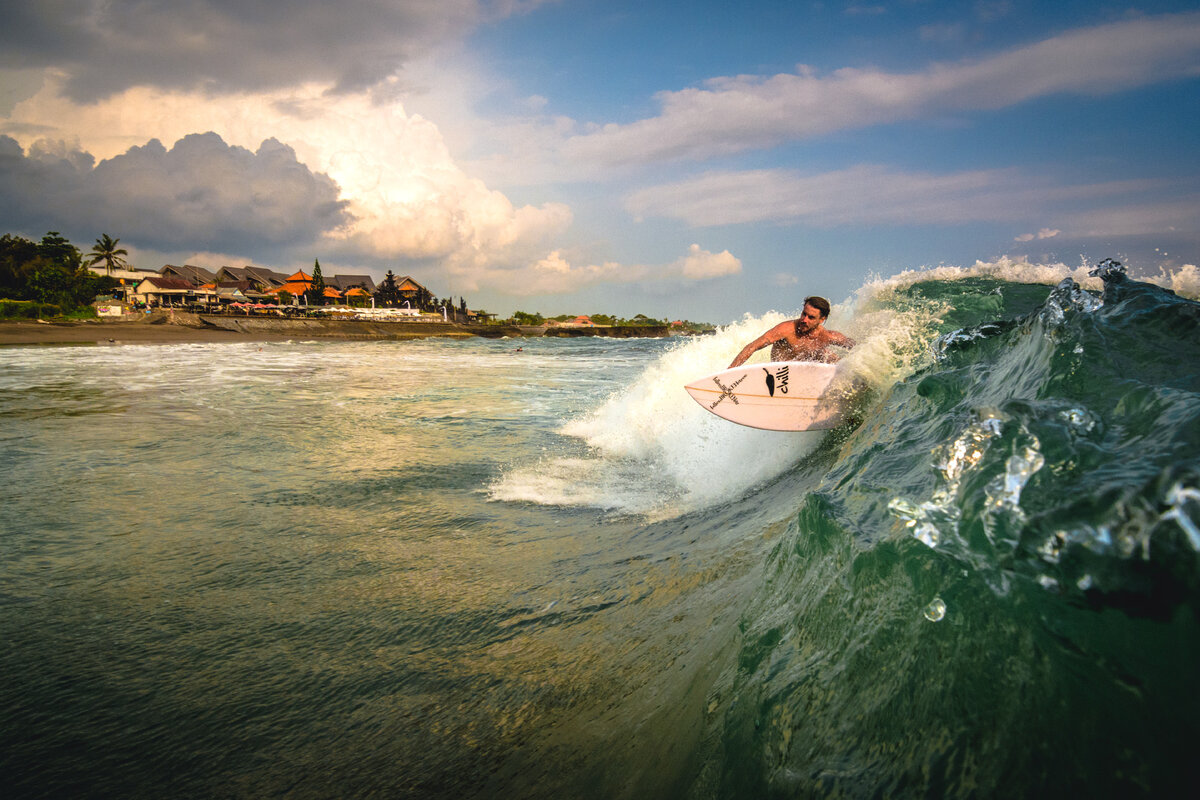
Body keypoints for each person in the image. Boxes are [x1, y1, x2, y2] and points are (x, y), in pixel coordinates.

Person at [728, 296, 854, 367]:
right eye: (804, 314)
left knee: (831, 357)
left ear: (822, 319)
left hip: (809, 374)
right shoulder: (787, 330)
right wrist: (729, 372)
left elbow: (858, 349)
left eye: (811, 317)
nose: (804, 320)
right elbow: (753, 346)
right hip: (782, 376)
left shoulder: (827, 336)